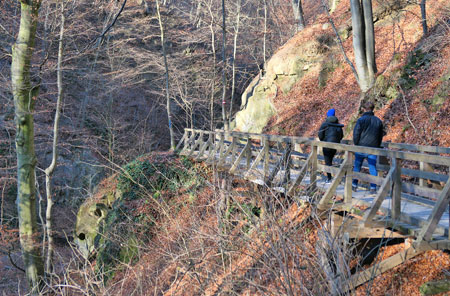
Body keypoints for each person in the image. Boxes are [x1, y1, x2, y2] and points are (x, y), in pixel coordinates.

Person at [352, 102, 385, 193]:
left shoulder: (361, 120)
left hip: (361, 147)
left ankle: (354, 185)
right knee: (372, 167)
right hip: (372, 148)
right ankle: (373, 187)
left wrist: (356, 144)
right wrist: (377, 145)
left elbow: (356, 133)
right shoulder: (378, 121)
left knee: (357, 166)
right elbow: (380, 136)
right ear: (373, 109)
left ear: (364, 109)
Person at [318, 108, 344, 183]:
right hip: (335, 146)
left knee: (328, 162)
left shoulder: (324, 124)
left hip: (326, 145)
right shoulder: (338, 125)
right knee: (331, 161)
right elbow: (341, 136)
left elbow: (320, 135)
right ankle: (334, 178)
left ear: (327, 115)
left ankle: (329, 178)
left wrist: (323, 141)